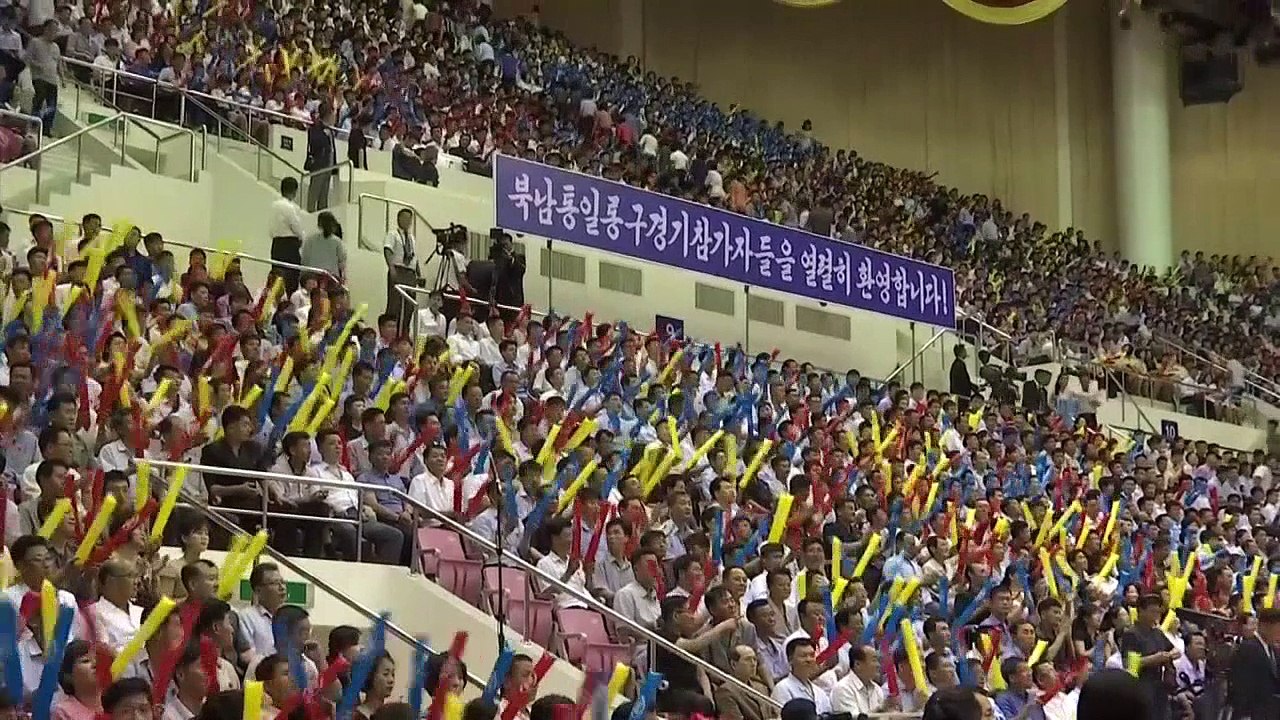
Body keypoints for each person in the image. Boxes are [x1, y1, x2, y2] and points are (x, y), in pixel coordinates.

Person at [1227, 607, 1280, 720]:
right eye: (1278, 629)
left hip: (1269, 713)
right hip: (1250, 714)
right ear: (1265, 626)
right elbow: (1241, 684)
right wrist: (1244, 714)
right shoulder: (1248, 648)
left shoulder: (1273, 651)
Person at [713, 645, 775, 720]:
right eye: (748, 659)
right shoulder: (725, 691)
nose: (753, 664)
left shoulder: (761, 687)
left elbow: (774, 713)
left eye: (754, 659)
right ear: (733, 664)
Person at [268, 177, 308, 295]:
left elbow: (271, 228)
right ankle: (290, 300)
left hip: (276, 244)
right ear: (294, 191)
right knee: (292, 278)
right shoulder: (289, 207)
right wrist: (301, 238)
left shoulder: (273, 205)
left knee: (277, 277)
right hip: (289, 245)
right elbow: (296, 226)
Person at [772, 638, 831, 713]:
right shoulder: (782, 689)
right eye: (803, 656)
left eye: (812, 655)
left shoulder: (820, 692)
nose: (809, 660)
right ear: (790, 659)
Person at [382, 208, 419, 328]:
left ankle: (404, 331)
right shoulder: (393, 234)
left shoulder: (412, 238)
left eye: (409, 219)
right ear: (398, 219)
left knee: (410, 304)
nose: (407, 221)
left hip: (410, 273)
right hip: (398, 270)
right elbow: (388, 249)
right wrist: (391, 267)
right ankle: (390, 329)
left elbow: (414, 256)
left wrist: (418, 274)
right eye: (404, 218)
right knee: (395, 303)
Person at [51, 640, 103, 720]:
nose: (95, 664)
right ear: (68, 676)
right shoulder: (63, 712)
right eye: (86, 661)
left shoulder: (117, 705)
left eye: (99, 659)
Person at [302, 212, 347, 286]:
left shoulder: (309, 239)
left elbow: (305, 259)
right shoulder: (337, 241)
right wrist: (343, 277)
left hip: (313, 277)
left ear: (319, 224)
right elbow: (342, 261)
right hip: (331, 278)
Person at [304, 109, 337, 211]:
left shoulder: (330, 130)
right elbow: (314, 144)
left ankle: (322, 213)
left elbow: (332, 149)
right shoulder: (316, 128)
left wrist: (334, 166)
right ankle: (310, 213)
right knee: (314, 193)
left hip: (328, 166)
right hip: (319, 165)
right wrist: (324, 135)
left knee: (324, 196)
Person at [354, 653, 395, 720]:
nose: (391, 680)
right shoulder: (356, 716)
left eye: (393, 674)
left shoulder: (392, 715)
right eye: (385, 674)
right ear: (370, 676)